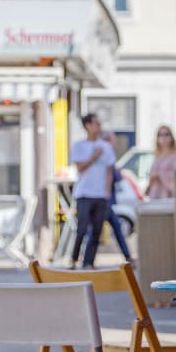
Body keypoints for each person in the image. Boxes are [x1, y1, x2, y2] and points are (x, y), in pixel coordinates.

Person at [69, 113, 114, 269]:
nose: (99, 127)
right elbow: (80, 167)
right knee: (81, 228)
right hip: (84, 193)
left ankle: (89, 262)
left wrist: (107, 192)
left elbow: (109, 171)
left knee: (96, 230)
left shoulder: (106, 147)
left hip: (100, 195)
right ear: (87, 126)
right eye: (96, 123)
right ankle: (74, 259)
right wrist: (94, 156)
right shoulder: (79, 146)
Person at [101, 131, 134, 265]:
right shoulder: (106, 154)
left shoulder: (103, 154)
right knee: (97, 229)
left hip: (104, 199)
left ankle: (128, 256)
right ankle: (84, 259)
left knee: (114, 226)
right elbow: (116, 176)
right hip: (104, 199)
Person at [147, 125, 176, 198]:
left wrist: (160, 176)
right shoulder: (157, 157)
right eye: (160, 135)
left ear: (172, 137)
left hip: (168, 198)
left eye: (166, 134)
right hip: (154, 196)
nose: (163, 137)